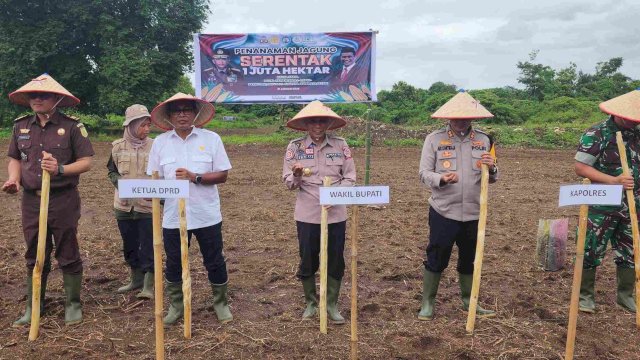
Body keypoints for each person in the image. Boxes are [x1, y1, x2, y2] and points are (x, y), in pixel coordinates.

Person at [2, 73, 94, 326]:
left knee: (67, 249)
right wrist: (14, 179)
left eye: (43, 95)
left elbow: (86, 162)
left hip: (63, 199)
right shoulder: (20, 126)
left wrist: (61, 169)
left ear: (56, 98)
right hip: (31, 200)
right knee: (34, 250)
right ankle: (35, 305)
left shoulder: (73, 126)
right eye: (33, 95)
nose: (37, 99)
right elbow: (15, 158)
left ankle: (73, 304)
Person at [147, 92, 233, 324]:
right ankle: (177, 306)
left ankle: (220, 303)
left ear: (195, 114)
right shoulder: (160, 143)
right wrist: (152, 193)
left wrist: (195, 177)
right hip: (173, 217)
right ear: (169, 116)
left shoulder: (212, 139)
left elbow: (223, 175)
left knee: (214, 260)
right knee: (174, 261)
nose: (182, 114)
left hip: (207, 214)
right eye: (177, 110)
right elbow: (154, 179)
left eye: (187, 110)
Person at [417, 90, 498, 320]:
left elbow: (492, 177)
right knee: (436, 256)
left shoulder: (484, 140)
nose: (461, 121)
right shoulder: (433, 140)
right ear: (448, 117)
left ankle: (468, 301)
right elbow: (423, 173)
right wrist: (441, 179)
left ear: (473, 118)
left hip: (474, 211)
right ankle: (428, 304)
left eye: (466, 117)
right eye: (456, 117)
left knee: (470, 259)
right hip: (444, 210)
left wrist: (492, 168)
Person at [282, 100, 356, 322]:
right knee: (308, 259)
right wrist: (296, 174)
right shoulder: (294, 147)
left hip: (335, 214)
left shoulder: (340, 145)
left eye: (321, 120)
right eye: (312, 121)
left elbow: (350, 177)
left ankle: (331, 305)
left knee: (335, 259)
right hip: (307, 213)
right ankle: (311, 304)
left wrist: (336, 195)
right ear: (305, 124)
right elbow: (288, 183)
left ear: (327, 123)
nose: (317, 125)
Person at [574, 88, 640, 314]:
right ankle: (585, 297)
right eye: (630, 119)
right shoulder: (598, 133)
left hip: (633, 205)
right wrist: (613, 181)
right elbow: (581, 168)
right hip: (601, 205)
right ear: (618, 113)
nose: (633, 123)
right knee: (590, 248)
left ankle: (625, 296)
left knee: (631, 250)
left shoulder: (637, 133)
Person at [107, 104, 154, 299]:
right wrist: (121, 184)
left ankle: (149, 285)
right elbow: (111, 171)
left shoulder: (156, 146)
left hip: (147, 206)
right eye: (143, 125)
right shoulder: (117, 147)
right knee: (130, 244)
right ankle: (135, 280)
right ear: (132, 126)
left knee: (149, 245)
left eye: (148, 125)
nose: (146, 129)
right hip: (124, 206)